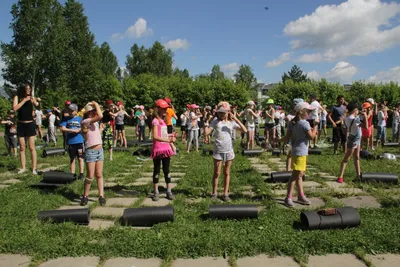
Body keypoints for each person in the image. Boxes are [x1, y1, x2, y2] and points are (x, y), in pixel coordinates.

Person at [276, 102, 318, 207]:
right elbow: (312, 137)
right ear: (301, 112)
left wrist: (278, 140)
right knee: (295, 176)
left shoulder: (292, 123)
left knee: (300, 175)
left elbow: (287, 138)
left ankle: (301, 195)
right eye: (308, 111)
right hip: (301, 153)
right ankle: (288, 197)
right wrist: (316, 126)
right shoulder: (305, 124)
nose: (309, 113)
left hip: (295, 151)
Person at [204, 101, 247, 202]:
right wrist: (206, 121)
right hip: (218, 151)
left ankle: (225, 193)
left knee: (227, 172)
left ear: (228, 112)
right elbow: (206, 132)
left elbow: (244, 130)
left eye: (224, 112)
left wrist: (236, 119)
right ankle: (214, 193)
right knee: (217, 172)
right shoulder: (215, 122)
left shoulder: (231, 123)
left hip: (229, 151)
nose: (221, 114)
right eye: (219, 112)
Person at [80, 101, 105, 206]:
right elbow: (101, 115)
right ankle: (85, 195)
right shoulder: (85, 121)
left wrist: (100, 130)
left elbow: (93, 135)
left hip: (99, 150)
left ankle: (101, 195)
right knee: (90, 175)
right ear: (89, 112)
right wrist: (95, 104)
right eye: (93, 111)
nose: (95, 112)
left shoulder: (94, 122)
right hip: (91, 151)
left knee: (99, 174)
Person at [150, 99, 176, 201]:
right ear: (158, 109)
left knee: (167, 170)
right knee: (156, 170)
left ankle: (168, 191)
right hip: (158, 149)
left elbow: (163, 135)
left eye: (166, 108)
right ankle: (156, 192)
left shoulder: (163, 121)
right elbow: (156, 136)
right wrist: (168, 139)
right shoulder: (155, 121)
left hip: (166, 149)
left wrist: (171, 136)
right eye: (164, 108)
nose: (166, 110)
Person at [337, 103, 368, 183]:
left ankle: (358, 175)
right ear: (355, 110)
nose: (358, 111)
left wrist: (362, 115)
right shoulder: (353, 119)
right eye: (357, 110)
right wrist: (365, 116)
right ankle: (340, 176)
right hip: (354, 140)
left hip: (356, 139)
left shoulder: (350, 117)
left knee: (357, 157)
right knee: (346, 158)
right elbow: (366, 127)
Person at [13, 82, 40, 174]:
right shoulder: (17, 97)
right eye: (27, 88)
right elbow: (15, 108)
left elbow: (38, 106)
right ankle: (23, 167)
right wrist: (24, 100)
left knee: (32, 147)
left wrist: (36, 101)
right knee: (22, 147)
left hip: (30, 124)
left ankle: (34, 168)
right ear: (23, 89)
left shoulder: (32, 97)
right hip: (21, 124)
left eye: (30, 88)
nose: (29, 90)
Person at [60, 103, 84, 180]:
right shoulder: (66, 119)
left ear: (76, 111)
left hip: (79, 141)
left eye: (72, 110)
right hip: (71, 142)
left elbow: (84, 127)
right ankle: (72, 175)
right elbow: (62, 128)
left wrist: (79, 130)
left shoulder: (80, 119)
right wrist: (72, 130)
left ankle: (81, 174)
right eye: (69, 110)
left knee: (80, 158)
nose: (70, 112)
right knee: (72, 159)